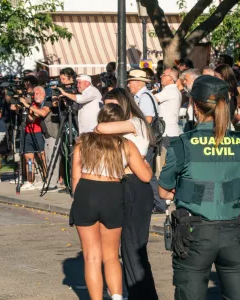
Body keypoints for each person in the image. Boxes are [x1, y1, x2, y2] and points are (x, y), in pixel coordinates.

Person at [158, 75, 240, 299]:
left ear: (194, 104)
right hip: (234, 231)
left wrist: (189, 190)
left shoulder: (183, 143)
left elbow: (163, 191)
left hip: (194, 232)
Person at [70, 103, 153, 300]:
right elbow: (145, 177)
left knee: (91, 256)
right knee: (111, 255)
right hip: (112, 193)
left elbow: (75, 175)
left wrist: (78, 198)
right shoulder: (126, 145)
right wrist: (148, 166)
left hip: (86, 190)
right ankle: (116, 296)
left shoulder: (84, 142)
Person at [96, 89, 158, 300]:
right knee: (126, 246)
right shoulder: (125, 127)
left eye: (113, 106)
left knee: (134, 247)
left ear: (124, 104)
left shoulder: (136, 123)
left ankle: (143, 294)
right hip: (122, 184)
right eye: (105, 106)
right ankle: (135, 292)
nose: (108, 110)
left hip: (134, 185)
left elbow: (100, 126)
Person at [126, 69, 164, 214]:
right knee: (145, 170)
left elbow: (147, 119)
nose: (129, 85)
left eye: (130, 82)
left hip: (145, 140)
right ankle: (154, 202)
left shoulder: (145, 97)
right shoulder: (142, 96)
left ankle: (159, 203)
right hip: (144, 139)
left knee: (146, 170)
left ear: (137, 83)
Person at [19, 86, 60, 191]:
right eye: (34, 93)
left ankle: (51, 182)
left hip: (52, 134)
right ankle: (33, 180)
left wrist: (28, 105)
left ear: (43, 94)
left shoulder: (48, 102)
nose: (34, 96)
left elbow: (42, 113)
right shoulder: (38, 104)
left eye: (37, 93)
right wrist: (25, 109)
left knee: (48, 158)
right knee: (43, 158)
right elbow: (32, 119)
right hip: (42, 134)